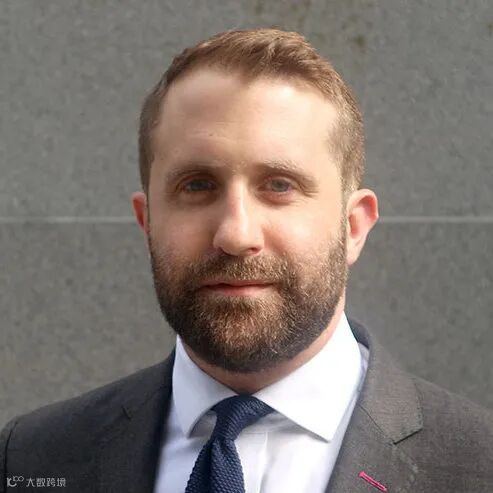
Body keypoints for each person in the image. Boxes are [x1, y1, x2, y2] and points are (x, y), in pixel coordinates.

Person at [1, 27, 492, 493]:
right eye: (197, 185)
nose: (236, 234)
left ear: (353, 226)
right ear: (147, 221)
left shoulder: (478, 466)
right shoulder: (31, 460)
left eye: (279, 185)